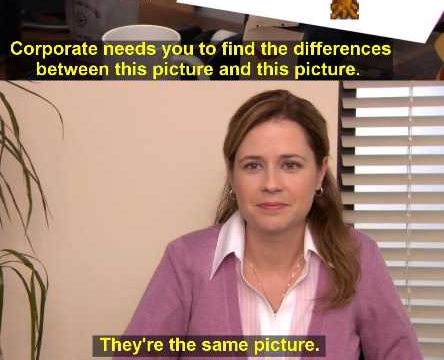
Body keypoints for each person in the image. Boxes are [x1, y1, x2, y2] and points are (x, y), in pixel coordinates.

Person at [123, 90, 422, 359]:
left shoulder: (360, 257)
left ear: (320, 173)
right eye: (253, 165)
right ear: (232, 174)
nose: (271, 184)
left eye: (290, 165)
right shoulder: (185, 260)